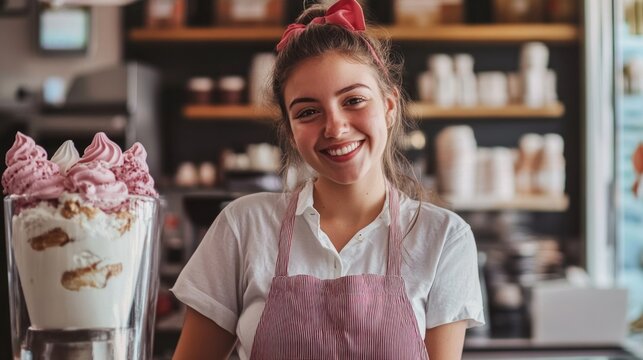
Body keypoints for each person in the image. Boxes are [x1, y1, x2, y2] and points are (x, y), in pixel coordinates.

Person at [171, 0, 485, 358]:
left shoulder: (443, 237)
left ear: (389, 107)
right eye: (307, 112)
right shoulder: (243, 226)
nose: (335, 127)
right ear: (290, 132)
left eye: (353, 100)